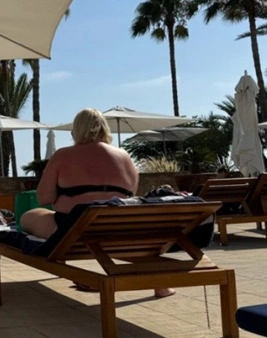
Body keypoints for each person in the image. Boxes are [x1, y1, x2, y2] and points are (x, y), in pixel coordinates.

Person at [20, 108, 175, 298]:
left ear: (77, 130)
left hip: (74, 232)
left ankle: (72, 268)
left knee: (28, 217)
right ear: (104, 128)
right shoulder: (124, 156)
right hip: (116, 231)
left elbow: (44, 198)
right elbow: (131, 194)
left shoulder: (62, 155)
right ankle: (160, 284)